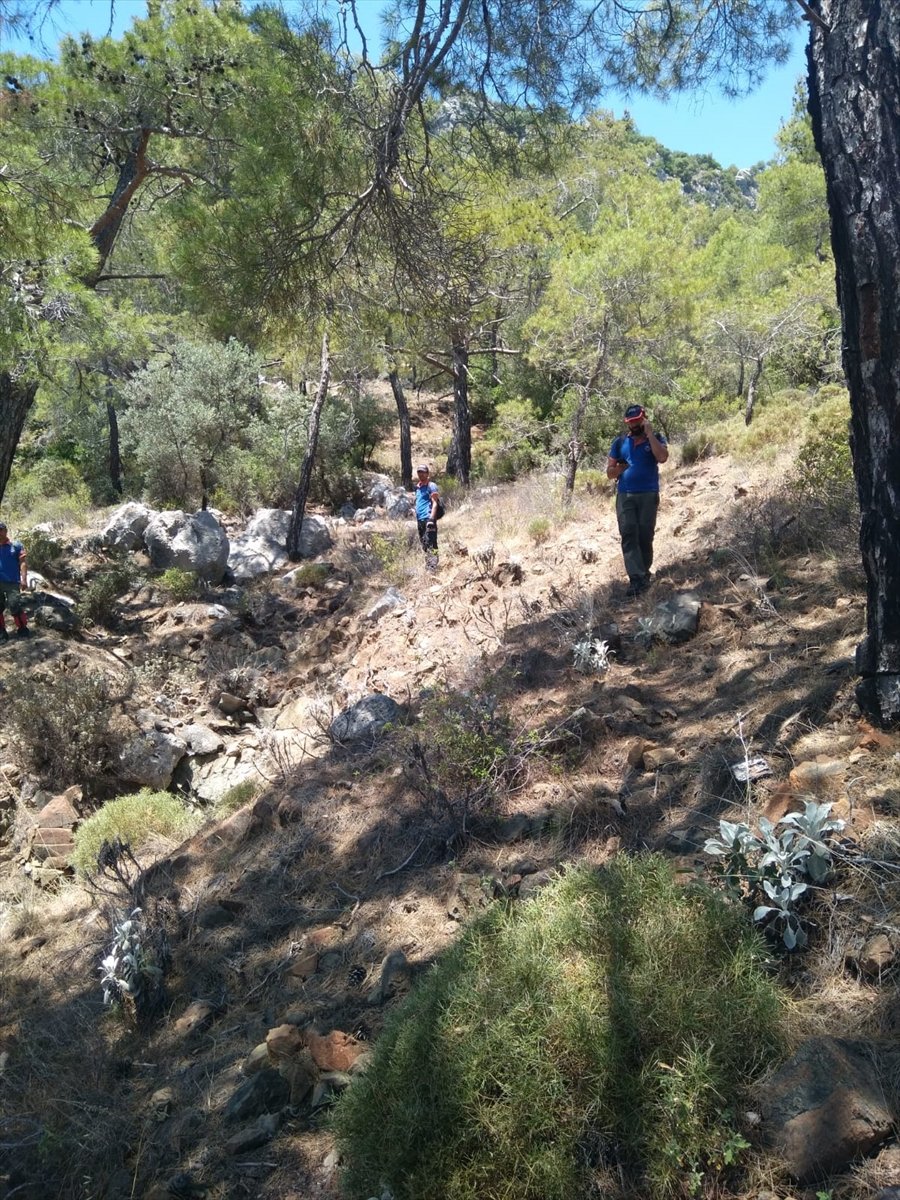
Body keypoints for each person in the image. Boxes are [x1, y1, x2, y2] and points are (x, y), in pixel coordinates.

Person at [606, 404, 668, 597]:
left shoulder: (656, 438)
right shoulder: (619, 443)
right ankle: (636, 578)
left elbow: (662, 457)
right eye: (630, 422)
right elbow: (609, 472)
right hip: (625, 495)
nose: (634, 425)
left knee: (645, 534)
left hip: (648, 493)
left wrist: (649, 434)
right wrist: (618, 469)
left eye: (637, 421)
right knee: (628, 533)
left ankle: (645, 573)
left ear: (644, 419)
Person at [0, 522, 29, 639]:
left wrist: (24, 579)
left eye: (0, 530)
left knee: (15, 604)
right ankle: (2, 633)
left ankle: (22, 628)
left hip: (12, 582)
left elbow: (23, 563)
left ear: (5, 531)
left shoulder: (16, 546)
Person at [414, 464, 440, 571]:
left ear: (427, 473)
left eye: (423, 472)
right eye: (419, 472)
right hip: (420, 520)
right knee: (424, 543)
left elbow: (435, 503)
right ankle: (429, 564)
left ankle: (432, 568)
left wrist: (431, 519)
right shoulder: (418, 487)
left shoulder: (431, 486)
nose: (421, 474)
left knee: (431, 543)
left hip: (428, 519)